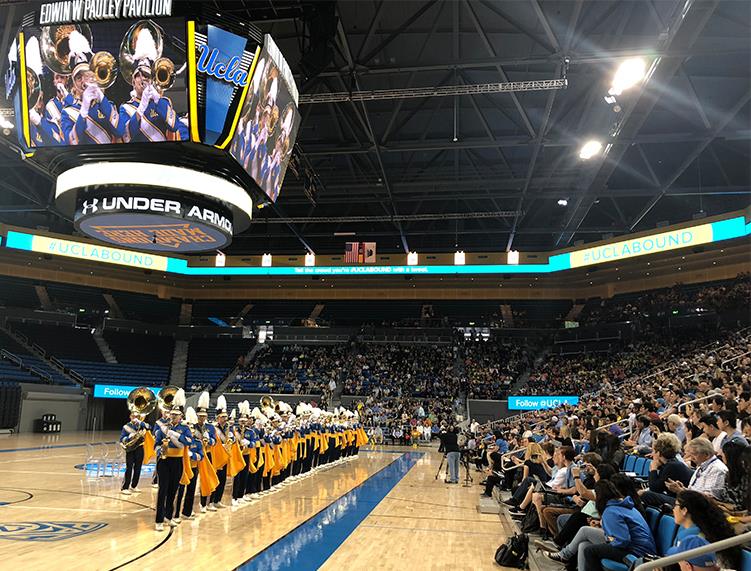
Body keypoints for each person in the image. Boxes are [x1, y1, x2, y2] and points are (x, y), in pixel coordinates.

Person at [119, 27, 180, 142]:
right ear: (133, 81)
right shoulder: (125, 108)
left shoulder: (163, 102)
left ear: (152, 80)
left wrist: (157, 99)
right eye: (139, 75)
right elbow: (126, 137)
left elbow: (174, 125)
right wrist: (141, 107)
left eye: (147, 76)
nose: (144, 79)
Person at [579, 480, 657, 571]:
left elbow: (622, 541)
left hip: (636, 552)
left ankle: (565, 555)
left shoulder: (610, 511)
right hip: (643, 548)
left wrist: (608, 539)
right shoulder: (625, 506)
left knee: (590, 551)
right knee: (584, 545)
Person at [641, 437, 728, 508]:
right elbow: (693, 490)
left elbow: (709, 499)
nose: (691, 457)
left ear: (707, 455)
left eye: (694, 454)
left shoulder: (717, 469)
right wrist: (682, 489)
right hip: (688, 500)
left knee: (646, 495)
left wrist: (681, 490)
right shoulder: (701, 466)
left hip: (697, 507)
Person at [668, 490, 742, 570]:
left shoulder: (695, 538)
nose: (673, 509)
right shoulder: (701, 529)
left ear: (684, 510)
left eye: (675, 505)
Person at [154, 390, 192, 531]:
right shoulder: (162, 428)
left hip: (178, 461)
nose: (173, 417)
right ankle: (158, 520)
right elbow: (156, 443)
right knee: (162, 490)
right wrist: (160, 449)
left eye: (176, 415)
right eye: (172, 414)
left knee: (173, 490)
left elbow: (188, 441)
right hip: (164, 461)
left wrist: (174, 434)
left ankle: (168, 517)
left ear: (181, 416)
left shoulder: (185, 428)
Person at [644, 432, 693, 497]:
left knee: (644, 495)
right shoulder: (671, 463)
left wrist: (653, 468)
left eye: (653, 451)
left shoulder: (672, 466)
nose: (652, 454)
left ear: (658, 453)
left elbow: (654, 489)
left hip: (682, 501)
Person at [119, 411, 147, 495]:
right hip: (130, 449)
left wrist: (141, 422)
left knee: (138, 468)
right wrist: (128, 437)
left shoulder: (141, 425)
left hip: (140, 448)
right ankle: (125, 487)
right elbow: (122, 439)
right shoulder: (126, 426)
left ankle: (134, 485)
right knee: (129, 468)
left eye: (136, 416)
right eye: (133, 416)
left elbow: (150, 427)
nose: (135, 418)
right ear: (130, 417)